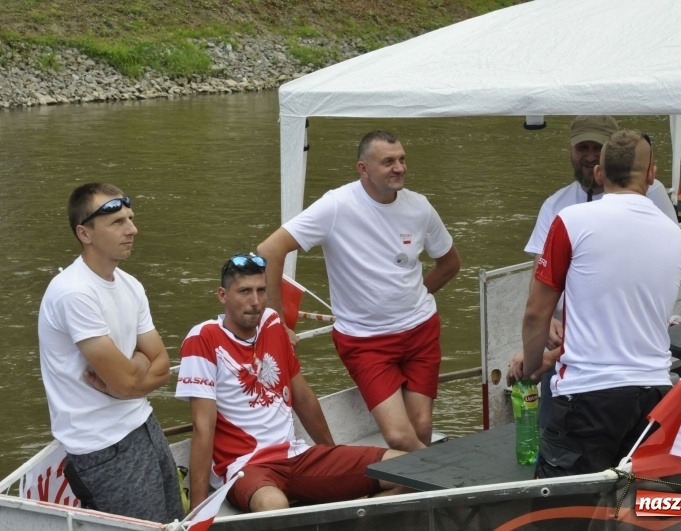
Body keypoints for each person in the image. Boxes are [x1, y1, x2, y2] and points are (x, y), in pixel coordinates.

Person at [257, 130, 461, 452]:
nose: (400, 168)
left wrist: (411, 296)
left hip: (421, 330)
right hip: (365, 340)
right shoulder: (336, 206)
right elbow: (270, 250)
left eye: (402, 159)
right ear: (363, 169)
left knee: (421, 428)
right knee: (398, 436)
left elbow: (450, 264)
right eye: (388, 162)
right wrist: (277, 322)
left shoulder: (419, 207)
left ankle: (418, 483)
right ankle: (444, 478)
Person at [507, 130, 681, 477]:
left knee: (563, 505)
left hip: (586, 399)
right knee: (636, 501)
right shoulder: (674, 236)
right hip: (654, 395)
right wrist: (551, 358)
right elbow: (626, 328)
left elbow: (536, 314)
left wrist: (532, 366)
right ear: (651, 175)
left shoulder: (571, 221)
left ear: (600, 174)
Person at [175, 255, 408, 512]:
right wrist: (198, 511)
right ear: (223, 295)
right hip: (245, 466)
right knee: (274, 504)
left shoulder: (273, 323)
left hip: (296, 456)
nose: (255, 301)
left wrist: (333, 457)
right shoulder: (203, 338)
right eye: (245, 291)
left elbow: (304, 398)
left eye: (261, 290)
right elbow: (203, 426)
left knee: (408, 469)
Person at [37, 183, 184, 523]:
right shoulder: (74, 293)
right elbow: (127, 380)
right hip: (102, 446)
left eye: (130, 219)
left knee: (175, 523)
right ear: (84, 233)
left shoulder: (131, 285)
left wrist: (131, 375)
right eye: (117, 222)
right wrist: (137, 368)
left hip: (144, 424)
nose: (132, 229)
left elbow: (162, 367)